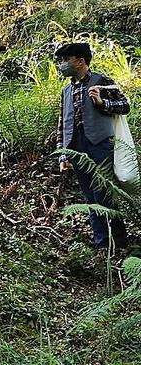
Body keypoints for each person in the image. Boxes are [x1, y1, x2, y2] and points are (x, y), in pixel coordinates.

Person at [56, 42, 131, 250]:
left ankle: (119, 242)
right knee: (89, 196)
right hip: (76, 146)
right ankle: (102, 245)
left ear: (80, 61)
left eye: (66, 60)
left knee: (104, 194)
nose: (63, 65)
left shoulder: (102, 81)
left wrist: (102, 103)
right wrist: (62, 154)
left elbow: (125, 106)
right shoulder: (66, 90)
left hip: (100, 144)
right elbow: (62, 122)